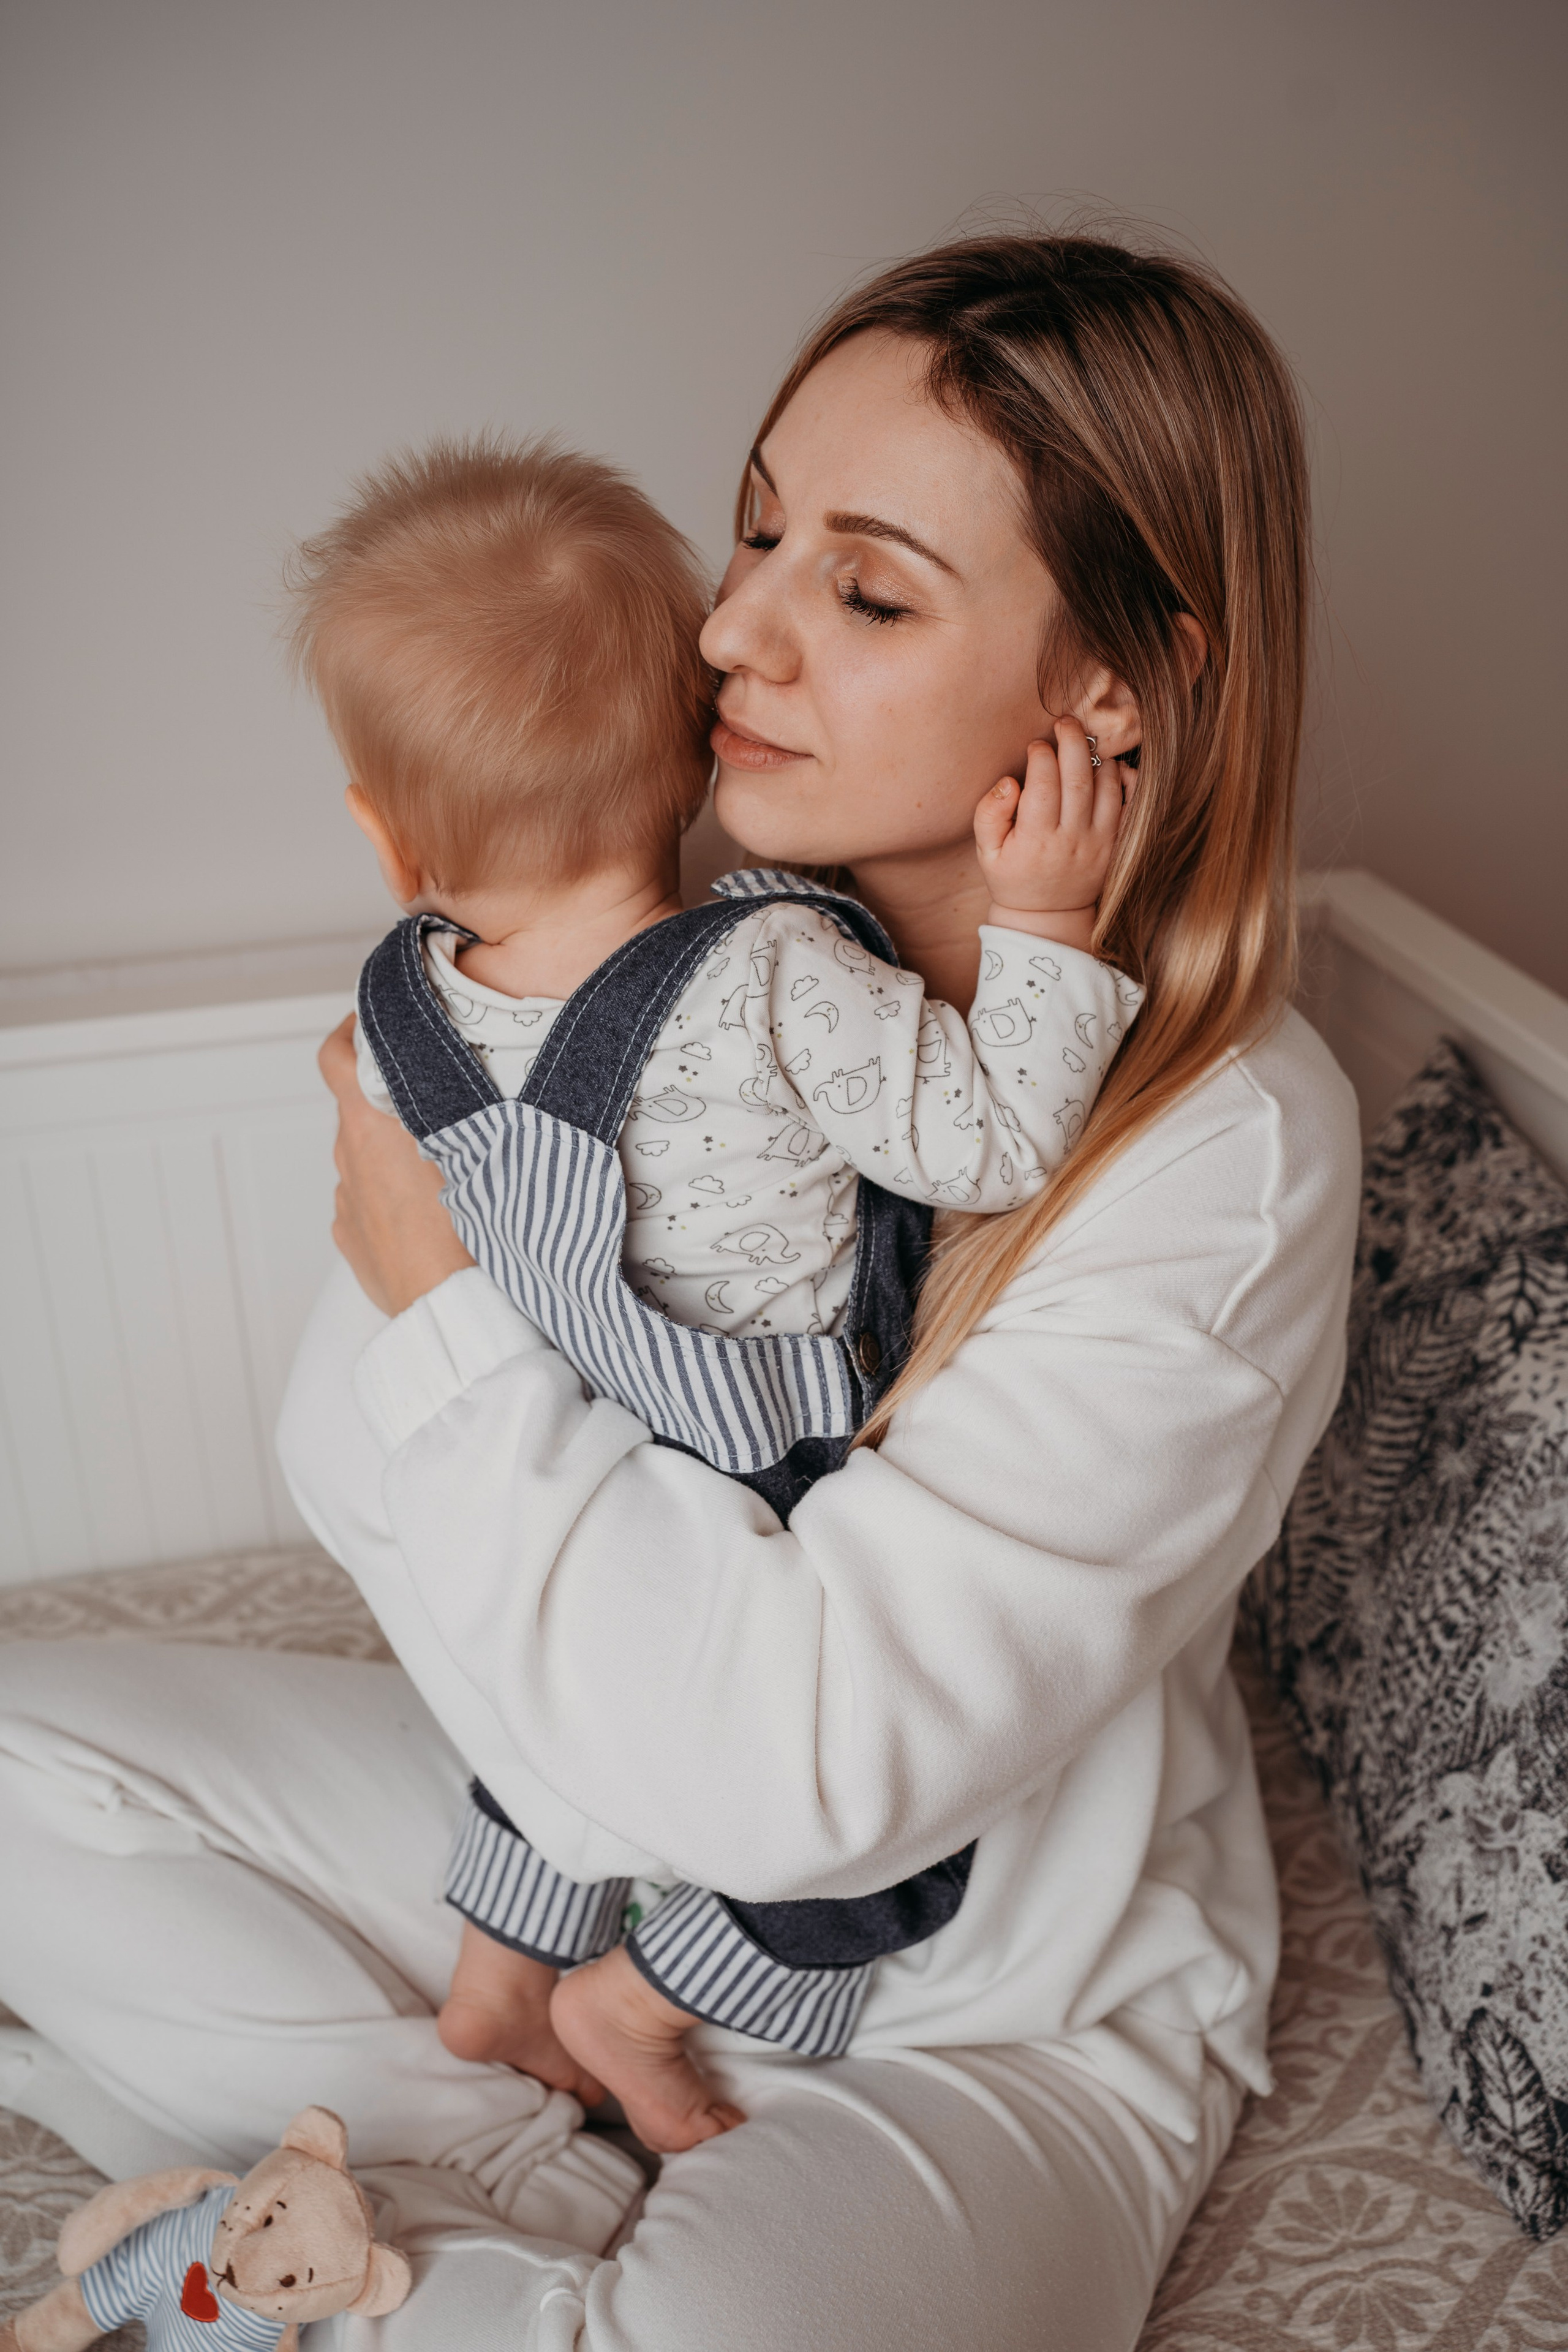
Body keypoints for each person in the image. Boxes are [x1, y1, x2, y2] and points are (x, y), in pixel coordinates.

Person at [0, 232, 1362, 2352]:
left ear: (1113, 679)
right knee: (19, 1766)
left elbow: (798, 1769)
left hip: (983, 2009)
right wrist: (574, 1800)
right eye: (751, 530)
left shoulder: (1223, 1143)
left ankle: (415, 2231)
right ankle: (466, 2179)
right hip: (589, 1799)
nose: (730, 628)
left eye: (869, 587)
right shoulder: (679, 958)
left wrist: (446, 1307)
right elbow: (348, 1479)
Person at [290, 435, 1141, 2150]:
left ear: (389, 845)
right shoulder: (769, 969)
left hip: (557, 1458)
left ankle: (500, 1970)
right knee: (901, 1851)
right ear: (693, 751)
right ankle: (641, 1998)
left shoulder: (394, 1014)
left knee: (546, 1726)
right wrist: (1053, 919)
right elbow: (980, 1141)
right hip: (762, 1476)